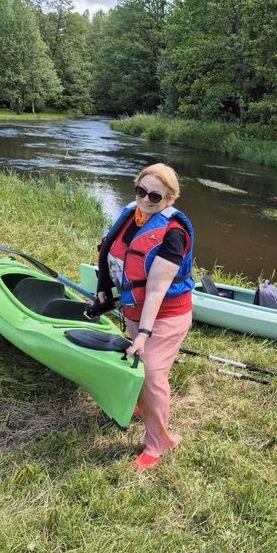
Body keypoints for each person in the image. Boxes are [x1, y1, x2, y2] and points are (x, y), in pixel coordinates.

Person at [93, 163, 194, 469]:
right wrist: (103, 291)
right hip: (134, 308)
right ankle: (142, 406)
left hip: (167, 315)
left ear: (170, 200)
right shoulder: (131, 215)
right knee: (134, 364)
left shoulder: (173, 234)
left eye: (156, 196)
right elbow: (109, 254)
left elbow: (156, 290)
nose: (147, 200)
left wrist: (143, 334)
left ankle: (158, 443)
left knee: (151, 374)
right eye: (142, 191)